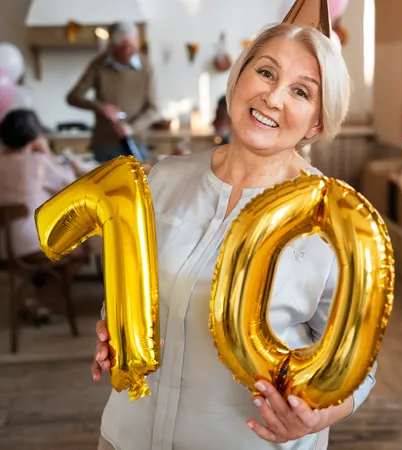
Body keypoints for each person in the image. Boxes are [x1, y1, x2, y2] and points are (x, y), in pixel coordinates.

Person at [93, 24, 376, 450]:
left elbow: (360, 364)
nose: (273, 97)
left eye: (301, 91)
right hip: (125, 437)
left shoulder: (334, 223)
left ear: (317, 122)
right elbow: (129, 288)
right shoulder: (163, 179)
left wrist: (321, 415)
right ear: (239, 76)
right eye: (266, 72)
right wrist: (112, 326)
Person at [0, 109, 79, 324]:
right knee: (79, 250)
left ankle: (35, 296)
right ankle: (40, 302)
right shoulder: (37, 161)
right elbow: (70, 184)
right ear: (36, 134)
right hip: (30, 246)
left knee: (48, 257)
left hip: (3, 245)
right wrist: (48, 153)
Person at [66, 21, 159, 163]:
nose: (134, 52)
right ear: (113, 48)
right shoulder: (98, 65)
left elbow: (153, 109)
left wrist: (131, 129)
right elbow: (73, 97)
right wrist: (100, 107)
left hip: (135, 143)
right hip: (104, 146)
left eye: (136, 45)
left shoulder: (146, 67)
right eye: (128, 48)